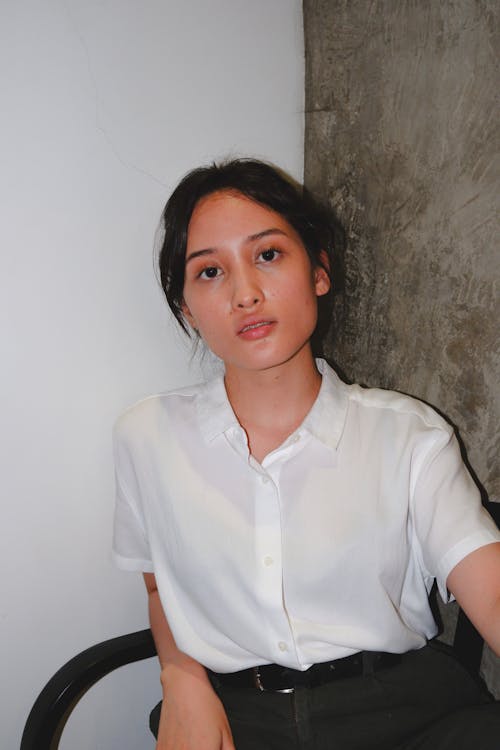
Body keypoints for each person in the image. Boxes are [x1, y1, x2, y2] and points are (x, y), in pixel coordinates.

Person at [112, 159, 500, 750]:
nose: (245, 294)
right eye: (210, 271)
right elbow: (161, 586)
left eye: (268, 255)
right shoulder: (147, 437)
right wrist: (181, 674)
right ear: (187, 308)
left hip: (409, 714)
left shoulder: (410, 436)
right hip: (238, 722)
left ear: (319, 270)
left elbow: (490, 590)